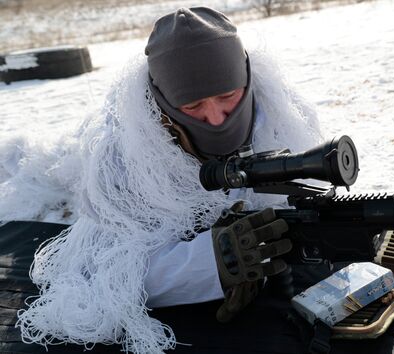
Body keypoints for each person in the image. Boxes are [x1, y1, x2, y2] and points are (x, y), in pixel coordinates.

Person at [15, 6, 323, 354]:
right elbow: (101, 276)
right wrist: (214, 263)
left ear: (248, 79)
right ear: (163, 105)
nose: (216, 117)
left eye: (228, 96)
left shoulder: (282, 117)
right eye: (193, 106)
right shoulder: (124, 157)